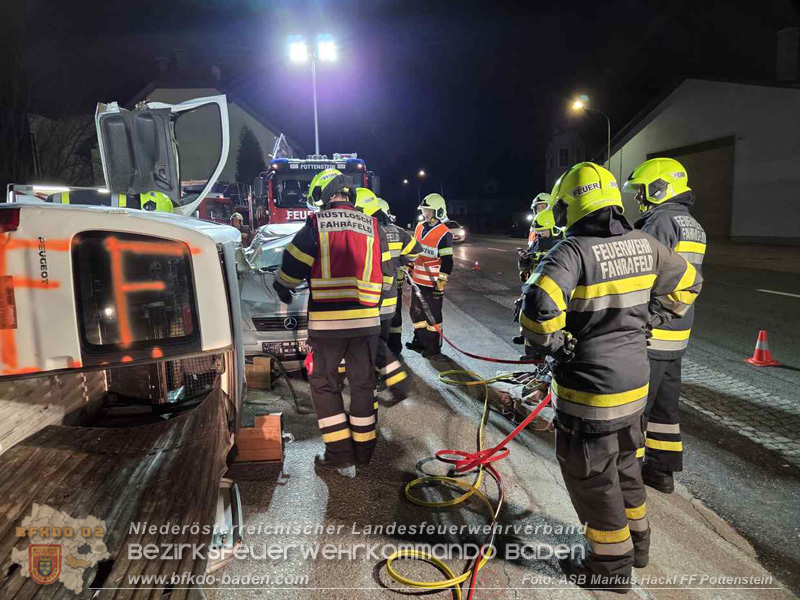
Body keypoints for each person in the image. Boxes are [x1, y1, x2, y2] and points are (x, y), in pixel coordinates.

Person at [520, 162, 702, 592]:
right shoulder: (644, 242)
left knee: (592, 477)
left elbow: (540, 306)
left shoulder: (572, 251)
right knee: (626, 465)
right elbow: (689, 283)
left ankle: (608, 567)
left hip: (591, 392)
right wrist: (651, 319)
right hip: (636, 385)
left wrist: (553, 344)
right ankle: (638, 546)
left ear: (572, 205)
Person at [274, 169, 392, 476]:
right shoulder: (373, 225)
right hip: (367, 322)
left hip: (328, 324)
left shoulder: (317, 223)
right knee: (364, 384)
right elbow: (388, 273)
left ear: (324, 195)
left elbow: (293, 263)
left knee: (325, 385)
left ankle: (339, 453)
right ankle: (364, 452)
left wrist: (282, 284)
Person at [624, 157, 707, 494]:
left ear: (659, 187)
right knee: (665, 409)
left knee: (635, 407)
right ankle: (661, 471)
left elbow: (641, 277)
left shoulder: (658, 222)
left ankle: (628, 473)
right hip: (678, 330)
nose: (639, 198)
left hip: (653, 330)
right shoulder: (693, 225)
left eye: (642, 191)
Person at [354, 189, 421, 401]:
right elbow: (415, 251)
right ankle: (386, 377)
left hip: (371, 298)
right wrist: (398, 263)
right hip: (390, 299)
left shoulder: (368, 232)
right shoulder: (398, 231)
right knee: (380, 338)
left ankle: (378, 379)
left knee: (370, 341)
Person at [406, 193, 453, 358]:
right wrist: (410, 268)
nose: (425, 213)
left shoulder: (444, 233)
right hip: (417, 280)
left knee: (433, 316)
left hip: (433, 283)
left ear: (438, 211)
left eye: (428, 210)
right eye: (424, 210)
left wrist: (441, 283)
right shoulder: (419, 227)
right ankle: (419, 340)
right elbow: (414, 251)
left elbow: (447, 261)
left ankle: (433, 347)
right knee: (416, 312)